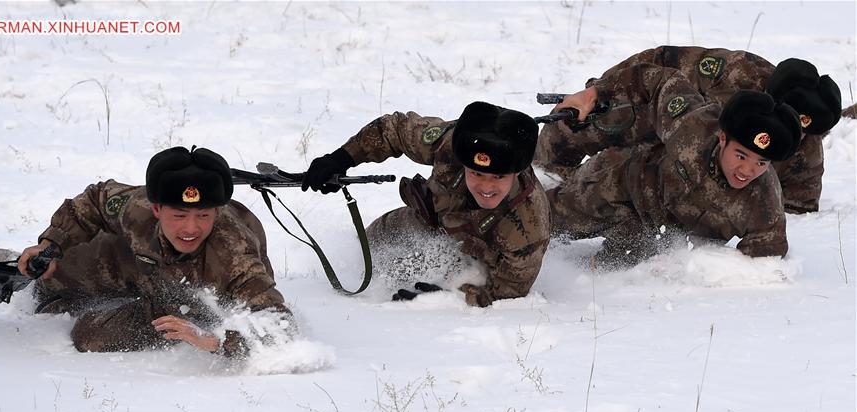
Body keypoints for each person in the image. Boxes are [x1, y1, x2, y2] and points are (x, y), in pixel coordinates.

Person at [18, 146, 290, 358]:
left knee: (88, 336)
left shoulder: (236, 256)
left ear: (217, 212)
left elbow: (280, 329)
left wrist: (211, 340)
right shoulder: (139, 209)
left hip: (186, 301)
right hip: (148, 262)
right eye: (179, 215)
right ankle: (45, 289)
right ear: (157, 209)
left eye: (203, 215)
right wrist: (50, 246)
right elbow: (94, 201)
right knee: (59, 268)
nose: (191, 228)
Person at [546, 63, 802, 266]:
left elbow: (763, 266)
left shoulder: (764, 203)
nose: (747, 171)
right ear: (723, 138)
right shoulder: (694, 125)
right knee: (541, 227)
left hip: (656, 241)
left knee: (607, 280)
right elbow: (657, 79)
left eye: (761, 162)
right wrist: (595, 92)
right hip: (618, 185)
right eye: (741, 156)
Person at [300, 102, 551, 307]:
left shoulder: (529, 228)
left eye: (498, 177)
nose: (486, 187)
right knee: (370, 245)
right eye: (476, 174)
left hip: (488, 252)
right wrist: (342, 158)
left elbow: (506, 296)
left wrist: (451, 297)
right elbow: (394, 130)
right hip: (440, 220)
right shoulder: (450, 145)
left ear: (516, 173)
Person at [535, 47, 841, 214]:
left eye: (801, 133)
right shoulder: (737, 72)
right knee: (591, 121)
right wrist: (598, 92)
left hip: (681, 181)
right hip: (667, 114)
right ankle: (545, 170)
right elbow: (658, 63)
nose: (791, 134)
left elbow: (796, 212)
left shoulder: (804, 156)